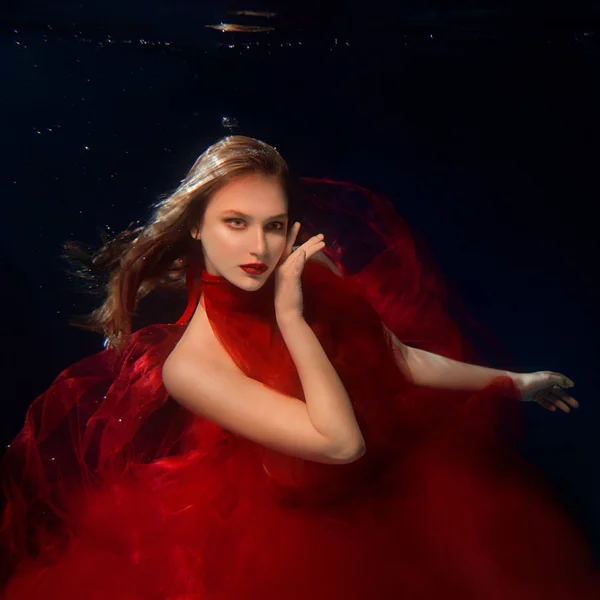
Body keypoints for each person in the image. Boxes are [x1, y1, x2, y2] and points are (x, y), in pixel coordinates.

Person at [1, 136, 598, 599]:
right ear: (196, 227)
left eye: (275, 225)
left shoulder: (309, 270)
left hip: (379, 496)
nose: (259, 249)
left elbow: (397, 360)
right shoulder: (192, 366)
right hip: (283, 536)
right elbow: (339, 443)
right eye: (235, 223)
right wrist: (290, 316)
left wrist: (514, 384)